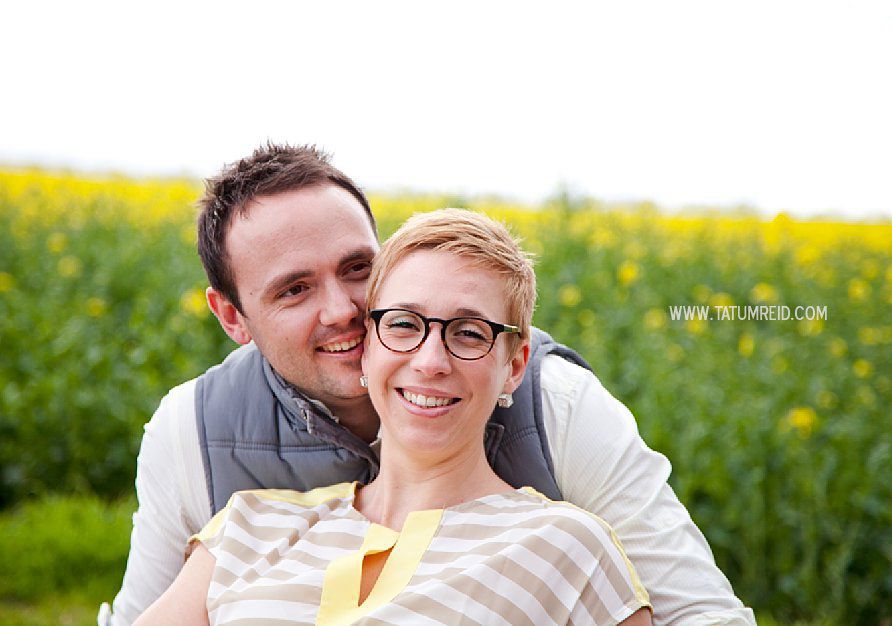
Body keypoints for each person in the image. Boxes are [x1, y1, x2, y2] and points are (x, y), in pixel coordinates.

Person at [99, 144, 755, 625]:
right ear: (233, 317)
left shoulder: (559, 423)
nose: (342, 311)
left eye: (359, 269)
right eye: (295, 289)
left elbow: (698, 611)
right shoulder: (214, 466)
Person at [133, 209, 653, 625]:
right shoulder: (245, 530)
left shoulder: (569, 549)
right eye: (404, 325)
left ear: (514, 366)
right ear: (367, 346)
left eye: (469, 333)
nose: (430, 362)